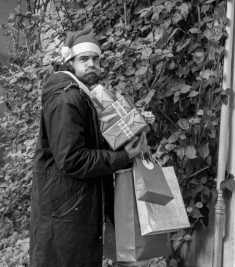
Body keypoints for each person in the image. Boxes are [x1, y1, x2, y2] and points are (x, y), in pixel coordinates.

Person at [29, 28, 147, 267]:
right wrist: (123, 157)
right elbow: (72, 158)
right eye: (83, 59)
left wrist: (130, 126)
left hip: (73, 209)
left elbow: (88, 143)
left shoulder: (83, 96)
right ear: (69, 62)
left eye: (95, 59)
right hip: (65, 212)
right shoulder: (66, 99)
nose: (91, 64)